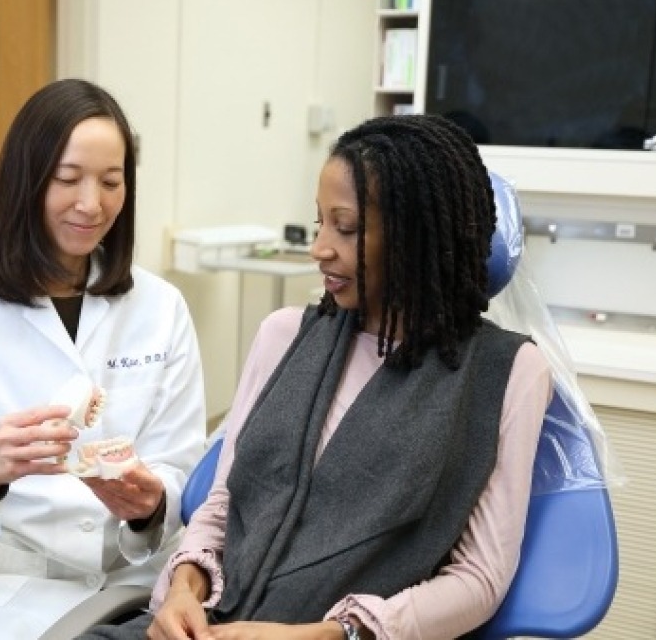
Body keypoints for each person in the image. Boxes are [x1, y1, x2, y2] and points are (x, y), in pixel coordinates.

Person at [82, 114, 553, 640]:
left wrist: (329, 634)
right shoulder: (284, 337)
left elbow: (478, 579)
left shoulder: (505, 373)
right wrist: (184, 589)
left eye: (346, 229)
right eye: (318, 223)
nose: (320, 248)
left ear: (418, 238)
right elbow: (225, 503)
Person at [0, 79, 206, 639]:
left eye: (111, 181)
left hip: (125, 585)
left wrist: (148, 503)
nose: (92, 203)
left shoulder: (160, 308)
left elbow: (179, 474)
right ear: (25, 180)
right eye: (67, 179)